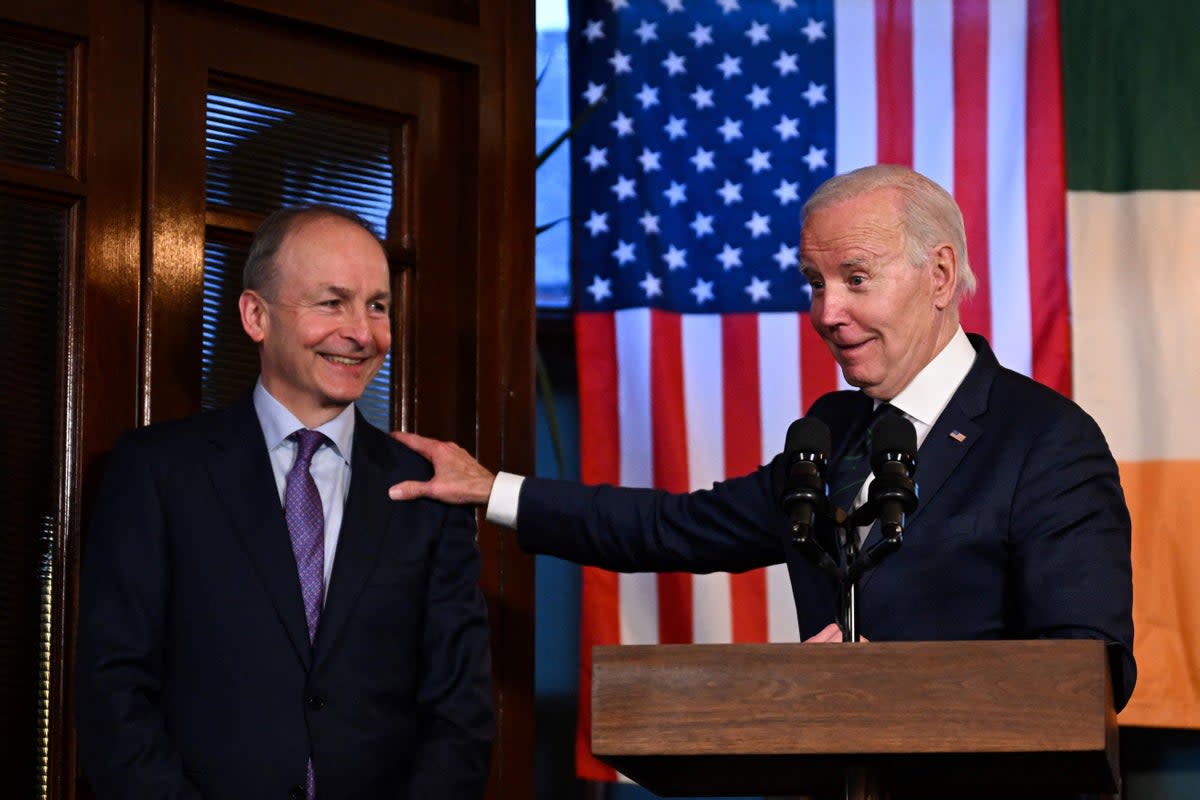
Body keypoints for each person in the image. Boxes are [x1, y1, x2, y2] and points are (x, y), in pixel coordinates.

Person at [389, 164, 1136, 711]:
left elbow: (1087, 672)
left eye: (854, 277)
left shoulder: (1046, 442)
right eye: (814, 282)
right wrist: (493, 490)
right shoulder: (836, 435)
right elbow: (674, 528)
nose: (826, 312)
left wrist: (910, 688)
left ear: (939, 275)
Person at [76, 206, 494, 799]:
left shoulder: (428, 488)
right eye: (332, 302)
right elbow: (113, 689)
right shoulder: (159, 471)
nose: (362, 332)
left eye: (377, 306)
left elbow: (461, 710)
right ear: (255, 315)